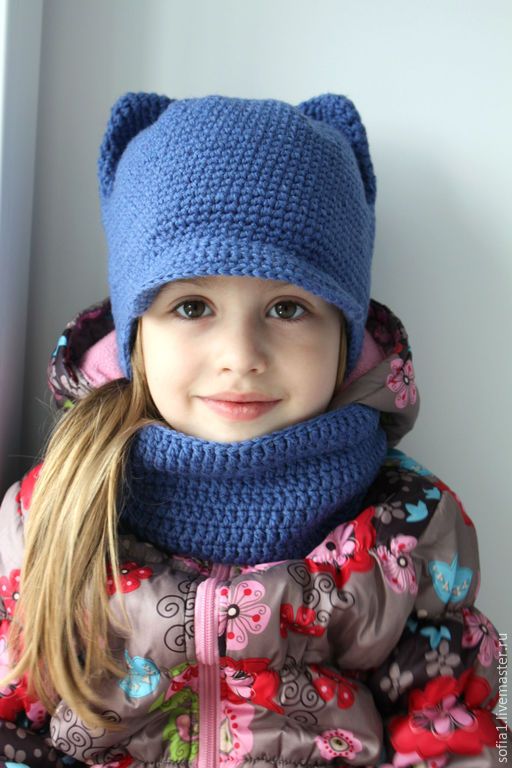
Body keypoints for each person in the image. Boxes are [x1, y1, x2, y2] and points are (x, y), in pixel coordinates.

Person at [0, 92, 509, 768]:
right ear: (134, 336)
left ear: (346, 339)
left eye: (287, 308)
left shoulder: (405, 523)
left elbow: (450, 729)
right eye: (192, 306)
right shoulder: (52, 508)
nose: (240, 355)